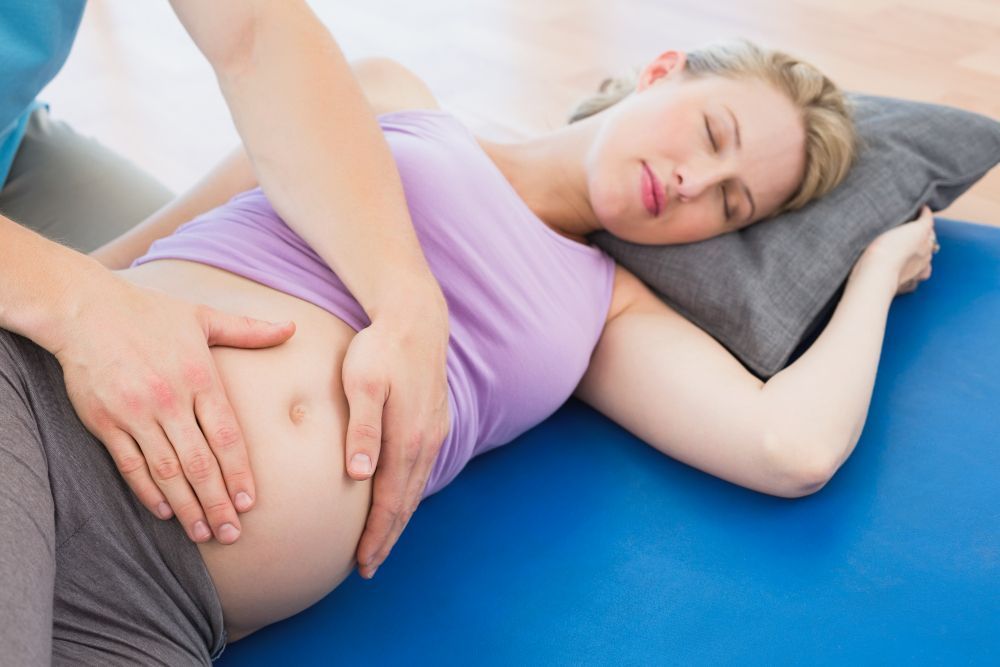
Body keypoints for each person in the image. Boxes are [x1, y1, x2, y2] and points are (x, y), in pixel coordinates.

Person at [0, 38, 938, 664]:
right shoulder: (391, 98)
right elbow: (139, 247)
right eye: (712, 133)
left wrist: (876, 269)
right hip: (59, 429)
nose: (694, 182)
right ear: (664, 73)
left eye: (732, 204)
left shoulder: (607, 312)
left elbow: (792, 448)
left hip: (174, 608)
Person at [0, 0, 453, 586]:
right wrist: (74, 298)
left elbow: (257, 31)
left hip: (11, 145)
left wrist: (409, 299)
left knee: (169, 270)